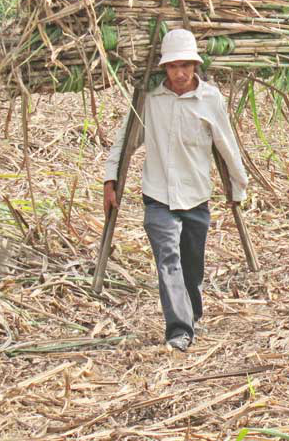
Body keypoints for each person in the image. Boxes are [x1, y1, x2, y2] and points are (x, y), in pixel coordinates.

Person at [103, 29, 247, 351]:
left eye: (186, 65)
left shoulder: (210, 99)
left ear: (196, 65)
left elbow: (226, 145)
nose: (180, 73)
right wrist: (110, 181)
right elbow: (124, 141)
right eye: (172, 66)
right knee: (168, 260)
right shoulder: (149, 99)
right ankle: (179, 330)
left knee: (192, 265)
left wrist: (239, 186)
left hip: (196, 195)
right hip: (158, 195)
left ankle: (191, 313)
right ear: (163, 68)